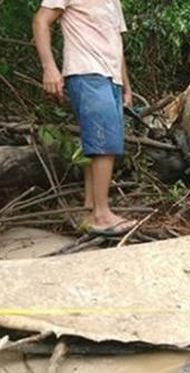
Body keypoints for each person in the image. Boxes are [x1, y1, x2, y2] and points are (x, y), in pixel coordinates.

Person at [33, 0, 137, 235]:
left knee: (98, 140)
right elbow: (41, 21)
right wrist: (49, 67)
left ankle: (91, 204)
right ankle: (101, 215)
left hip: (110, 78)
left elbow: (116, 44)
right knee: (104, 145)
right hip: (86, 72)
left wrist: (126, 87)